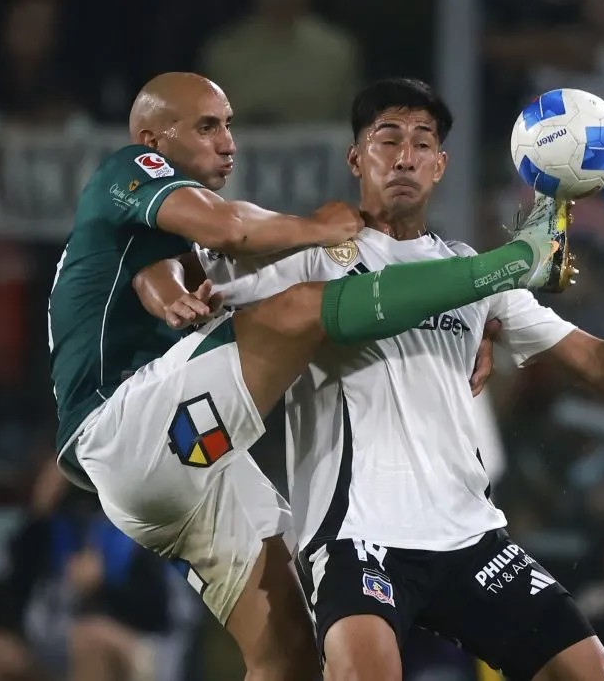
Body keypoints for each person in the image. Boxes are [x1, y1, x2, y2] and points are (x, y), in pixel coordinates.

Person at [136, 77, 604, 681]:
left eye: (423, 143)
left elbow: (587, 355)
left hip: (471, 535)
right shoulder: (306, 260)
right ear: (355, 159)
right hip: (358, 536)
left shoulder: (467, 272)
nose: (405, 156)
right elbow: (188, 256)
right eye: (387, 139)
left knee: (594, 675)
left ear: (440, 165)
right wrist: (171, 289)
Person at [47, 72, 575, 680]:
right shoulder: (128, 167)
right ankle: (513, 262)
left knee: (290, 657)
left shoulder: (155, 236)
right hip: (125, 429)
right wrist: (322, 228)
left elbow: (158, 274)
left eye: (229, 125)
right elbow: (229, 228)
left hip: (184, 470)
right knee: (302, 306)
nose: (228, 143)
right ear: (152, 137)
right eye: (207, 126)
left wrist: (468, 319)